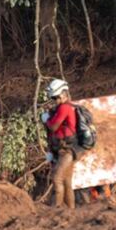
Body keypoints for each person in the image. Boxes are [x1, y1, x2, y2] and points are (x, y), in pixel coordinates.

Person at [41, 78, 78, 210]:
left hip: (68, 151)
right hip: (61, 150)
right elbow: (53, 134)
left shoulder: (65, 108)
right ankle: (71, 211)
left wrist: (46, 120)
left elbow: (53, 127)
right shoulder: (58, 109)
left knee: (57, 178)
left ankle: (57, 209)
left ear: (63, 94)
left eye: (56, 97)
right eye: (53, 98)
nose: (55, 100)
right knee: (67, 182)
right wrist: (50, 152)